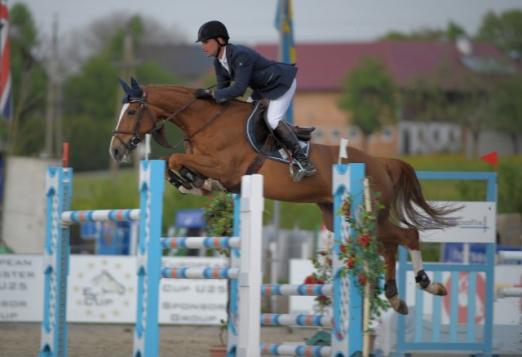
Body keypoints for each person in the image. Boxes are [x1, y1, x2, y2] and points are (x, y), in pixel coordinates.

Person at [194, 20, 316, 179]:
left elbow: (238, 89)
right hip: (262, 89)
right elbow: (223, 92)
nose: (203, 46)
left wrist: (212, 94)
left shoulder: (240, 55)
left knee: (272, 120)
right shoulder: (218, 63)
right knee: (243, 116)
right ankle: (294, 131)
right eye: (202, 43)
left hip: (280, 83)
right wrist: (207, 99)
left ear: (220, 40)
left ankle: (303, 161)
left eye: (206, 42)